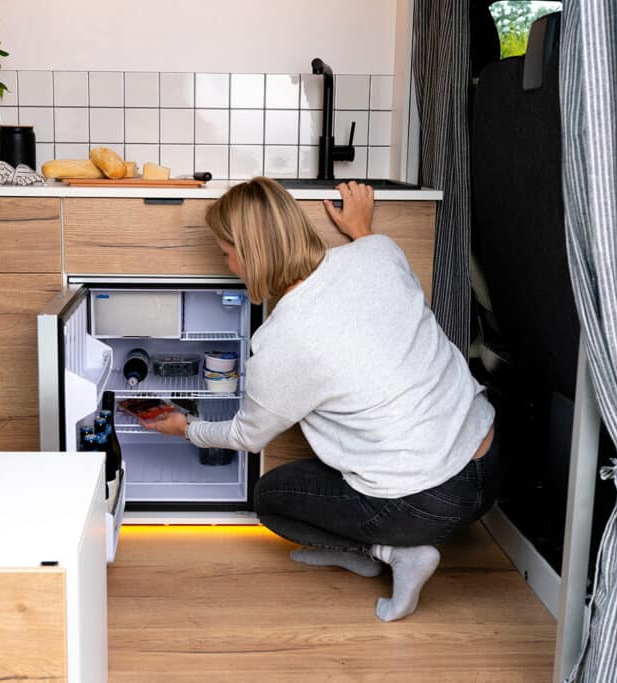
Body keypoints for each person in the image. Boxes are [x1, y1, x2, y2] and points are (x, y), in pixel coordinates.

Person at [142, 177, 500, 621]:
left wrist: (186, 429)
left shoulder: (281, 342)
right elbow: (375, 259)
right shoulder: (379, 252)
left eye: (226, 252)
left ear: (251, 254)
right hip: (489, 463)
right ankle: (369, 554)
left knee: (270, 498)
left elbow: (246, 435)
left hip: (428, 501)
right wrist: (361, 226)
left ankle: (394, 552)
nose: (227, 262)